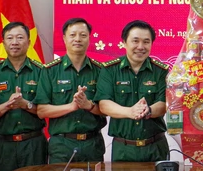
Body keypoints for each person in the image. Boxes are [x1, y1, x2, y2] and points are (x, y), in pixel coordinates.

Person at [96, 21, 170, 162]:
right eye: (135, 41)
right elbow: (104, 104)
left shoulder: (161, 71)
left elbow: (163, 104)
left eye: (146, 42)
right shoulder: (110, 70)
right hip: (123, 149)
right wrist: (130, 112)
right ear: (124, 42)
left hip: (155, 147)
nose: (140, 47)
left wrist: (148, 110)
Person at [35, 18, 106, 163]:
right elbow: (42, 111)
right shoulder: (50, 71)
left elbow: (106, 109)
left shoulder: (101, 71)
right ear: (64, 38)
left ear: (89, 39)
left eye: (83, 35)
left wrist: (89, 106)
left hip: (92, 145)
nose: (77, 39)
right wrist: (71, 107)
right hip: (62, 146)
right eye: (72, 35)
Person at [0, 22, 47, 171]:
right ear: (3, 43)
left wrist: (25, 104)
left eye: (20, 38)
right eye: (10, 38)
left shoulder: (41, 71)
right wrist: (8, 105)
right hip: (4, 145)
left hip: (34, 143)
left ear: (29, 42)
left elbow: (45, 110)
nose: (15, 42)